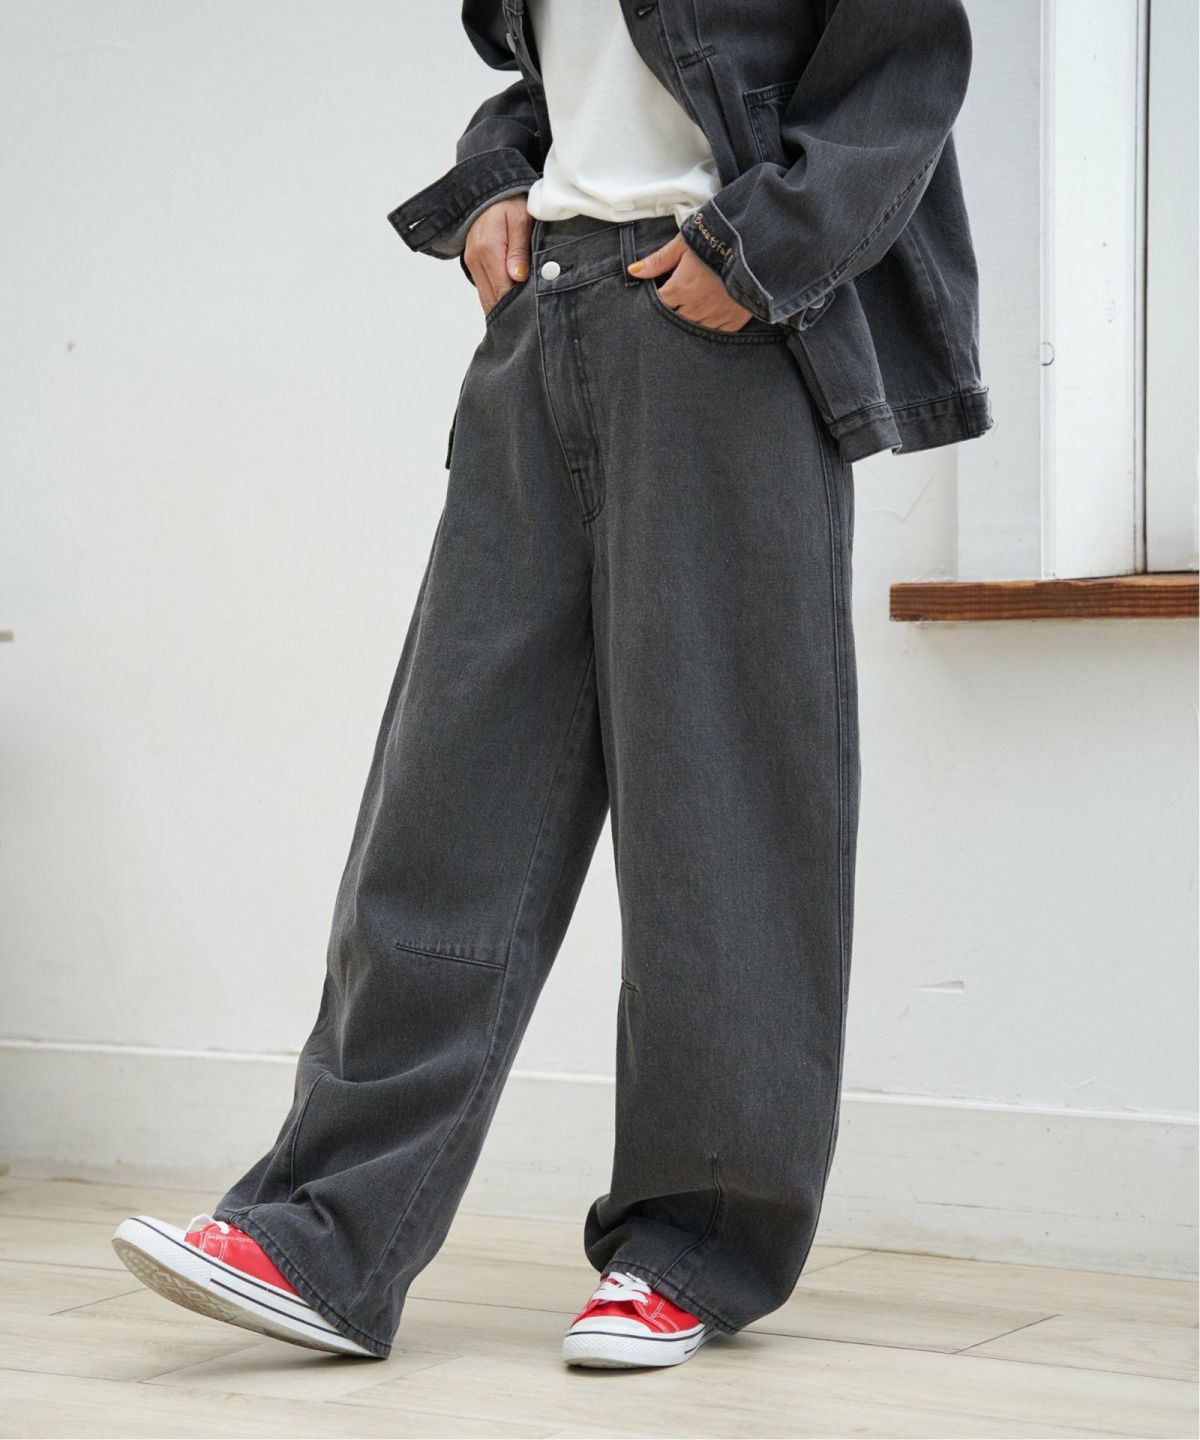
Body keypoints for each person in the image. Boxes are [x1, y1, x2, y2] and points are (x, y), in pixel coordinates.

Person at [112, 0, 989, 1369]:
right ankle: (325, 1236)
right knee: (445, 804)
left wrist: (762, 248)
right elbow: (580, 87)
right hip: (547, 324)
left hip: (726, 332)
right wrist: (495, 189)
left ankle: (696, 1243)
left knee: (717, 813)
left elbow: (903, 70)